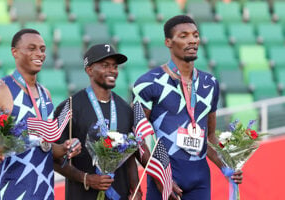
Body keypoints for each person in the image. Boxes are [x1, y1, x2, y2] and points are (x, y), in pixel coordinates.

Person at [132, 15, 243, 200]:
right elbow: (136, 138)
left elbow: (209, 137)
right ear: (168, 42)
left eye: (195, 35)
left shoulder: (210, 83)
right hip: (164, 178)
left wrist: (227, 166)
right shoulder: (148, 83)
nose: (192, 40)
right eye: (183, 36)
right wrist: (160, 178)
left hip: (200, 180)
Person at [0, 28, 81, 199]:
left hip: (44, 191)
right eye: (32, 48)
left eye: (42, 49)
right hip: (10, 191)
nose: (39, 53)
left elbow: (43, 146)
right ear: (15, 52)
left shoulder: (45, 94)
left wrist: (65, 148)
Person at [54, 44, 142, 200]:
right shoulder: (70, 107)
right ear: (89, 70)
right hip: (82, 195)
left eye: (115, 66)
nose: (112, 71)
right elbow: (54, 157)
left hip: (119, 195)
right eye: (105, 65)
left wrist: (136, 189)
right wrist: (86, 178)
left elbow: (130, 157)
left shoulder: (125, 109)